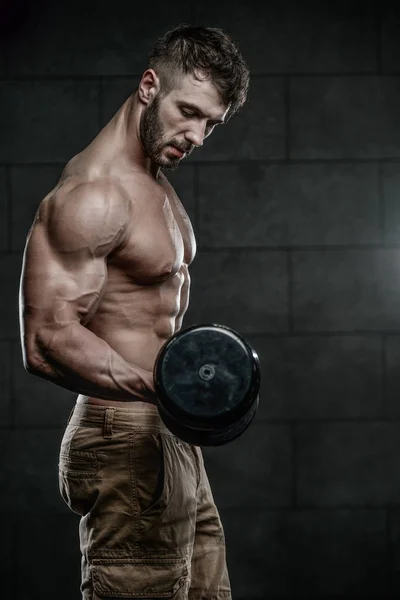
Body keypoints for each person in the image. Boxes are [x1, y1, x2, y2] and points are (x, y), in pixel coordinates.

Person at [19, 23, 250, 599]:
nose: (196, 135)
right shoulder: (94, 195)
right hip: (124, 433)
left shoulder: (154, 179)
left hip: (168, 432)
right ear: (150, 86)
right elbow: (46, 339)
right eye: (188, 112)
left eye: (210, 125)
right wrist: (163, 388)